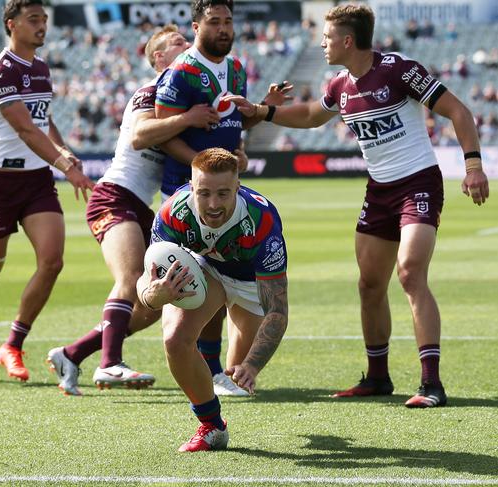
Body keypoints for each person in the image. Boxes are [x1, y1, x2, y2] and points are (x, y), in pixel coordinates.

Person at [225, 3, 490, 408]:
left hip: (418, 183)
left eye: (328, 37)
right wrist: (263, 111)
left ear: (348, 40)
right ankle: (378, 377)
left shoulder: (398, 70)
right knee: (369, 285)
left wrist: (473, 166)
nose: (323, 44)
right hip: (379, 191)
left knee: (410, 273)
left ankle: (431, 383)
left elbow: (458, 111)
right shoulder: (339, 84)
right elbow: (314, 115)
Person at [46, 25, 221, 395]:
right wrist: (190, 118)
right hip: (114, 196)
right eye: (178, 44)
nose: (188, 47)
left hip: (142, 206)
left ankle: (72, 353)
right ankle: (109, 365)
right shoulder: (152, 90)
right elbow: (141, 135)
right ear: (158, 58)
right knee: (129, 279)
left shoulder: (177, 101)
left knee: (154, 298)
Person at [0, 0, 95, 383]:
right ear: (11, 24)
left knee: (52, 262)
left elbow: (42, 121)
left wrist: (64, 151)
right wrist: (66, 167)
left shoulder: (42, 68)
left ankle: (12, 344)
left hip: (36, 182)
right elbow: (24, 130)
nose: (42, 26)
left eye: (44, 20)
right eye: (34, 20)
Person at [137, 148, 289, 451]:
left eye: (223, 193)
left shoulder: (262, 221)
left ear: (238, 187)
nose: (213, 204)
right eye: (204, 193)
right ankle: (212, 426)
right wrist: (155, 295)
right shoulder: (173, 211)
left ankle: (238, 343)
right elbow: (145, 282)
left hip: (251, 283)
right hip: (208, 268)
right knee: (175, 339)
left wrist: (254, 366)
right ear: (192, 187)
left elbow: (277, 310)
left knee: (237, 371)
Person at [153, 0, 266, 397]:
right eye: (214, 21)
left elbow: (232, 122)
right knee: (187, 287)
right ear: (197, 25)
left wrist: (249, 128)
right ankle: (102, 348)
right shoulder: (181, 71)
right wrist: (204, 167)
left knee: (219, 283)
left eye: (228, 21)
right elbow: (161, 132)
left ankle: (216, 368)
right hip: (185, 195)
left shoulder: (235, 68)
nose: (222, 28)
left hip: (225, 193)